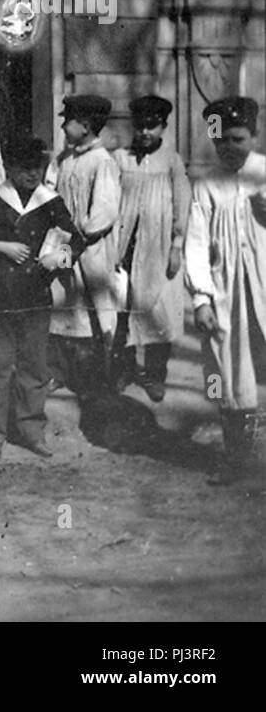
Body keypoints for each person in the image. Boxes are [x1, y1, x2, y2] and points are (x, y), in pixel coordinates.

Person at [0, 136, 83, 459]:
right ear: (9, 168)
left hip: (36, 294)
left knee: (34, 366)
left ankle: (30, 429)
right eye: (24, 168)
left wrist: (59, 257)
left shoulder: (49, 201)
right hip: (0, 293)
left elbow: (75, 241)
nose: (31, 174)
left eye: (37, 167)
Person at [185, 96, 266, 486]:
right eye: (222, 141)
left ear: (254, 134)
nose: (230, 148)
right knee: (229, 375)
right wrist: (201, 298)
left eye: (238, 139)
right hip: (228, 296)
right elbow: (197, 245)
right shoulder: (207, 185)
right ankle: (236, 458)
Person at [111, 95, 192, 401]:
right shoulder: (120, 158)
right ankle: (124, 368)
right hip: (126, 246)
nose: (146, 132)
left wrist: (177, 244)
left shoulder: (171, 160)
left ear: (163, 127)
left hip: (159, 248)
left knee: (160, 311)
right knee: (122, 310)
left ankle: (156, 375)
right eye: (141, 126)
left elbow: (182, 205)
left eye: (152, 127)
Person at [45, 94, 121, 396]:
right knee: (62, 306)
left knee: (91, 310)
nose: (63, 126)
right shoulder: (65, 160)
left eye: (68, 121)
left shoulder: (102, 162)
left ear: (86, 125)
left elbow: (103, 211)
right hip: (63, 244)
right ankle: (60, 371)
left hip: (89, 251)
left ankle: (92, 378)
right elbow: (49, 192)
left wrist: (78, 237)